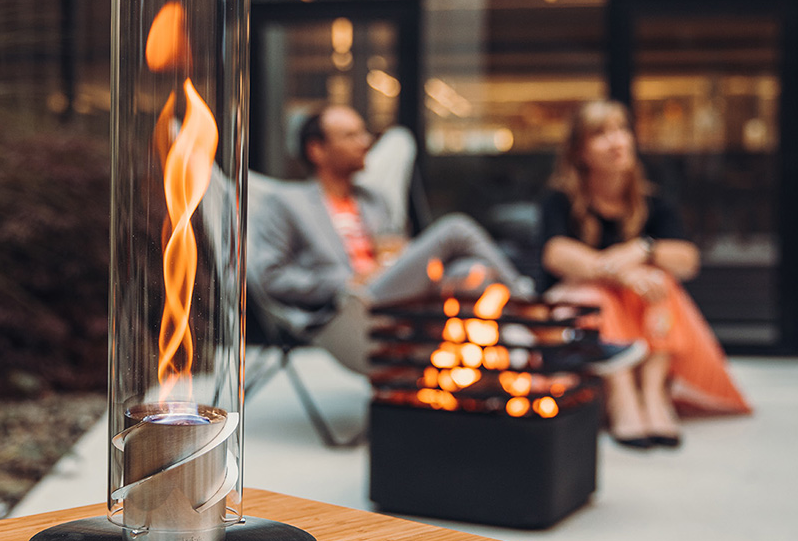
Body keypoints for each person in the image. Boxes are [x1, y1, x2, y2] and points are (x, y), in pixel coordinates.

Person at [250, 104, 644, 374]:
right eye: (351, 135)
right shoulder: (287, 204)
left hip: (395, 297)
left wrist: (398, 259)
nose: (365, 140)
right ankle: (545, 326)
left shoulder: (372, 201)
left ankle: (496, 375)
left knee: (474, 270)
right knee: (455, 229)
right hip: (348, 311)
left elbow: (396, 252)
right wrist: (344, 281)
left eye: (363, 132)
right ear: (317, 150)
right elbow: (269, 278)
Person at [539, 99, 752, 449]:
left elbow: (687, 259)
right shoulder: (559, 199)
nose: (616, 141)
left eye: (622, 130)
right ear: (580, 151)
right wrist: (619, 273)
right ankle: (624, 398)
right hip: (573, 320)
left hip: (640, 322)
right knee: (594, 296)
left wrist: (644, 250)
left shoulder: (652, 202)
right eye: (601, 134)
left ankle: (654, 396)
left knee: (661, 283)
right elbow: (556, 254)